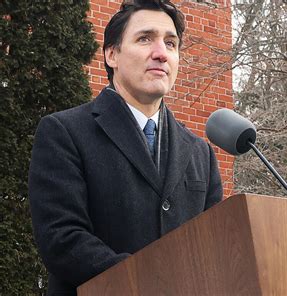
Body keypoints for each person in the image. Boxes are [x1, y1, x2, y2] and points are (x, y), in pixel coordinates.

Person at [28, 1, 223, 295]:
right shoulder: (64, 132)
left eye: (171, 43)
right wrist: (149, 282)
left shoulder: (200, 153)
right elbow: (62, 239)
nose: (161, 53)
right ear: (112, 54)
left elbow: (212, 250)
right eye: (145, 38)